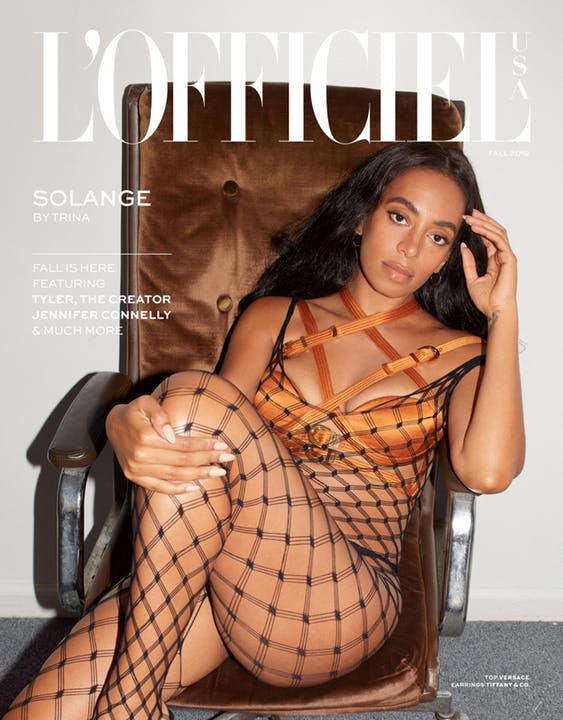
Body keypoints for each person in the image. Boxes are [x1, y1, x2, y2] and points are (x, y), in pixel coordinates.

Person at [6, 142, 524, 720]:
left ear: (451, 257)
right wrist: (122, 422)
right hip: (219, 575)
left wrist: (502, 315)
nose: (410, 247)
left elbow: (488, 472)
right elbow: (203, 445)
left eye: (438, 237)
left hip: (339, 605)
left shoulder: (462, 355)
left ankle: (131, 708)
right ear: (362, 218)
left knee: (193, 397)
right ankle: (133, 707)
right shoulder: (273, 316)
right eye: (400, 217)